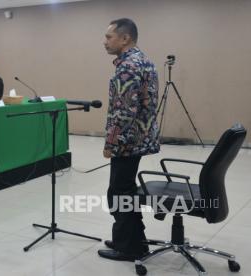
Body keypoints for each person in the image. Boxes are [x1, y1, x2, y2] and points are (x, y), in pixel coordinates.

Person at [98, 18, 160, 261]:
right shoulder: (143, 60)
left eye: (108, 37)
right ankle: (133, 239)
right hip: (141, 137)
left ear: (125, 38)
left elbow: (124, 111)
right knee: (125, 190)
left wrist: (111, 144)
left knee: (119, 193)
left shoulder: (127, 66)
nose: (104, 42)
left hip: (127, 140)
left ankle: (129, 247)